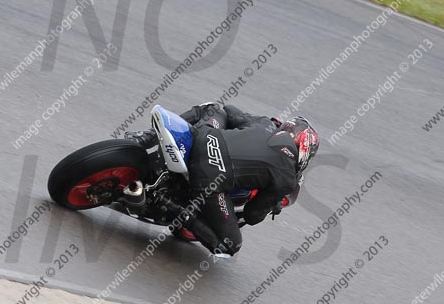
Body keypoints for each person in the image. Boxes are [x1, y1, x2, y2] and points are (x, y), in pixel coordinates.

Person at [126, 103, 319, 257]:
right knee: (230, 245)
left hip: (202, 138)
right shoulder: (286, 180)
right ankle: (171, 206)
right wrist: (271, 204)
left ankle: (145, 137)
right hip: (209, 180)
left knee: (213, 108)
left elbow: (230, 111)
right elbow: (252, 214)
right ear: (305, 154)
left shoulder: (264, 124)